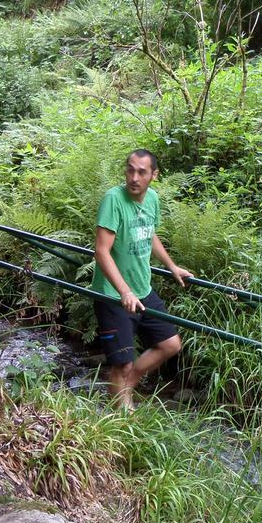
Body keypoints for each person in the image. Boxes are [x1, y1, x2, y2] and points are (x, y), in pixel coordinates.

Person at [90, 149, 193, 410]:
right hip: (113, 295)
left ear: (154, 175)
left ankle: (130, 380)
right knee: (121, 364)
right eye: (130, 169)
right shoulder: (113, 200)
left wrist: (171, 266)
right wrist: (124, 291)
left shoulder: (153, 200)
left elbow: (150, 234)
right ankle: (122, 420)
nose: (134, 177)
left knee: (170, 344)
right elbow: (101, 252)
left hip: (143, 289)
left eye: (142, 172)